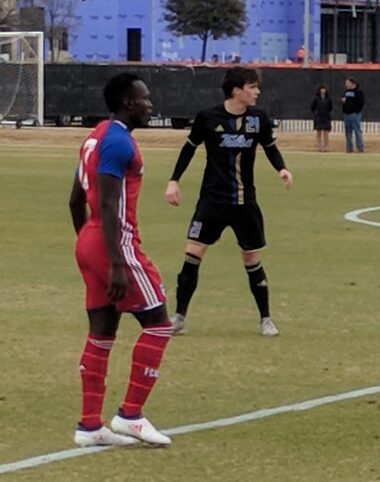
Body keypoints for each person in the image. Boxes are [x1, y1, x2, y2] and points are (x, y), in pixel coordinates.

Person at [69, 73, 173, 447]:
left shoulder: (96, 135)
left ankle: (89, 426)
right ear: (129, 103)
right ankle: (130, 415)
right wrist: (114, 261)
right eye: (145, 99)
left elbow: (74, 199)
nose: (151, 105)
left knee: (102, 332)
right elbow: (110, 204)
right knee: (159, 323)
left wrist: (88, 245)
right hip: (116, 244)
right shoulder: (117, 141)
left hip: (90, 239)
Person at [165, 66, 293, 337]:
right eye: (252, 87)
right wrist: (173, 180)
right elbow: (189, 148)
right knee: (193, 253)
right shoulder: (208, 118)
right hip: (211, 201)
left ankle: (265, 319)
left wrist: (281, 168)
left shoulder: (259, 119)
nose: (257, 91)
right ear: (237, 91)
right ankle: (178, 317)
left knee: (251, 258)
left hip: (245, 203)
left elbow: (270, 148)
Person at [341, 77, 365, 153]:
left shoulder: (358, 92)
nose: (346, 85)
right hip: (346, 115)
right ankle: (349, 148)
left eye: (347, 83)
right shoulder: (346, 92)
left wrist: (357, 111)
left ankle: (360, 147)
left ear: (352, 83)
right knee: (348, 132)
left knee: (357, 131)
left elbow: (361, 102)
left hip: (354, 115)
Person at [311, 83, 332, 152]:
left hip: (326, 116)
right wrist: (316, 113)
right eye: (321, 89)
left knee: (326, 132)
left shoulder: (328, 99)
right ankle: (319, 147)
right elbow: (312, 107)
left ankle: (326, 146)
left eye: (324, 89)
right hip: (319, 117)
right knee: (319, 132)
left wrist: (327, 113)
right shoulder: (316, 98)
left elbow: (330, 107)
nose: (323, 90)